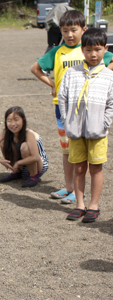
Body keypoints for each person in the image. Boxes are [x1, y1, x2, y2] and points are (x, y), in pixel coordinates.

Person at [30, 10, 113, 204]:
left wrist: (102, 77)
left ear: (83, 30)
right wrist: (52, 85)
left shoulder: (88, 49)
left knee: (88, 155)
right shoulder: (57, 52)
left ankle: (78, 192)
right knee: (68, 149)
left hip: (90, 110)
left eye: (73, 30)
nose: (69, 35)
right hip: (64, 108)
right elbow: (35, 68)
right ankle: (69, 187)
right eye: (65, 30)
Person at [58, 28, 113, 222]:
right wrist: (67, 120)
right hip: (75, 131)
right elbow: (62, 97)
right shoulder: (71, 73)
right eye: (88, 49)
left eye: (97, 49)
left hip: (97, 132)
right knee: (79, 168)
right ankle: (79, 204)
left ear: (105, 49)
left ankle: (94, 205)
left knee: (96, 168)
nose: (93, 54)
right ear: (82, 50)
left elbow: (111, 104)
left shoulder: (108, 76)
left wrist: (104, 123)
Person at [0, 106, 48, 187]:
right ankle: (17, 172)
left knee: (24, 146)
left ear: (23, 120)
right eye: (9, 121)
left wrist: (18, 162)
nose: (13, 124)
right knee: (3, 143)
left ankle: (33, 176)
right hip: (23, 166)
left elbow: (36, 157)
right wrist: (0, 160)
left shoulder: (29, 133)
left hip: (38, 166)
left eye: (16, 120)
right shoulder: (6, 132)